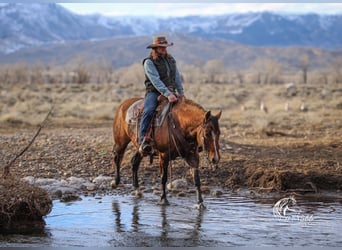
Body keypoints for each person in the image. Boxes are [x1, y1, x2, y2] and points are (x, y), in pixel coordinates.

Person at [139, 36, 184, 154]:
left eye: (165, 47)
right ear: (155, 48)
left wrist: (181, 93)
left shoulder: (171, 60)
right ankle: (143, 139)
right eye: (161, 47)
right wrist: (167, 93)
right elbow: (155, 80)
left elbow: (177, 77)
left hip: (172, 92)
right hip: (154, 92)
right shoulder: (149, 62)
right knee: (148, 111)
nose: (164, 49)